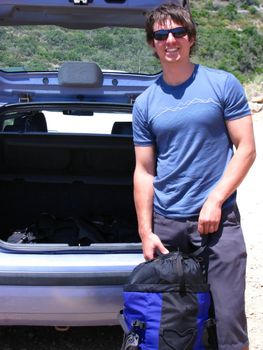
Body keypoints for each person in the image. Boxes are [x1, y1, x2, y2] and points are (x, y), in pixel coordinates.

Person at [132, 3, 256, 350]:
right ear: (152, 43)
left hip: (219, 224)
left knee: (230, 325)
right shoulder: (144, 103)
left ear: (191, 37)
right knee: (173, 324)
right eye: (160, 34)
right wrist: (146, 231)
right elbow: (144, 171)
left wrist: (215, 200)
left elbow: (246, 149)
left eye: (177, 32)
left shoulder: (222, 84)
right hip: (168, 225)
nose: (170, 40)